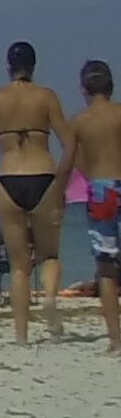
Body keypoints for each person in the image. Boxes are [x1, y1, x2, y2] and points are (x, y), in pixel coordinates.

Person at [0, 41, 74, 342]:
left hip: (9, 179)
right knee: (49, 255)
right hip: (43, 177)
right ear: (34, 66)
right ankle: (49, 299)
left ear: (7, 66)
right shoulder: (46, 96)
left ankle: (22, 336)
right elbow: (69, 144)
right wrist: (62, 181)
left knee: (19, 267)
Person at [64, 59, 121, 353]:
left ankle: (115, 339)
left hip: (100, 190)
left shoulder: (79, 122)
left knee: (106, 269)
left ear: (84, 88)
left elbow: (73, 163)